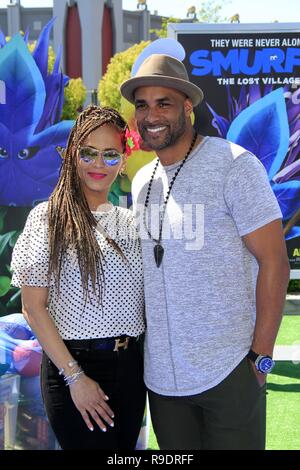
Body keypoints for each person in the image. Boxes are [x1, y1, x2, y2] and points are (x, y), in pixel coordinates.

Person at [120, 54, 290, 450]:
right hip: (162, 380)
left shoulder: (234, 165)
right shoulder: (142, 181)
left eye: (164, 102)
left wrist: (260, 358)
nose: (151, 114)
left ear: (187, 106)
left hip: (229, 370)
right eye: (142, 105)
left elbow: (275, 262)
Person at [11, 106, 146, 450]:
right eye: (88, 153)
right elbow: (33, 307)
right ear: (73, 155)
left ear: (123, 161)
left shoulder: (131, 222)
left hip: (132, 369)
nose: (99, 164)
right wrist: (75, 377)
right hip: (75, 367)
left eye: (110, 155)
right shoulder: (47, 219)